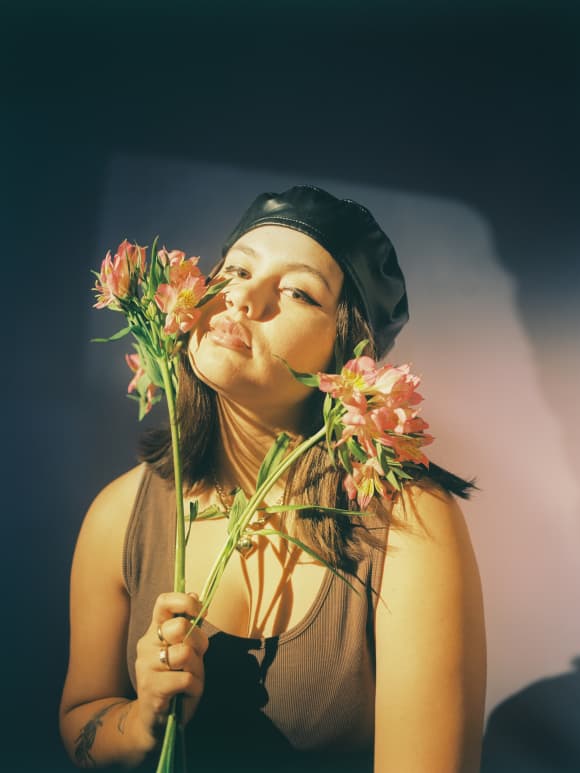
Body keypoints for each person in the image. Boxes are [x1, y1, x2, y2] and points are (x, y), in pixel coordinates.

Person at [59, 185, 486, 772]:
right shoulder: (118, 513)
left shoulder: (408, 523)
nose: (242, 299)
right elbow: (80, 715)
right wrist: (142, 721)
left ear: (347, 358)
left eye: (298, 292)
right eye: (235, 269)